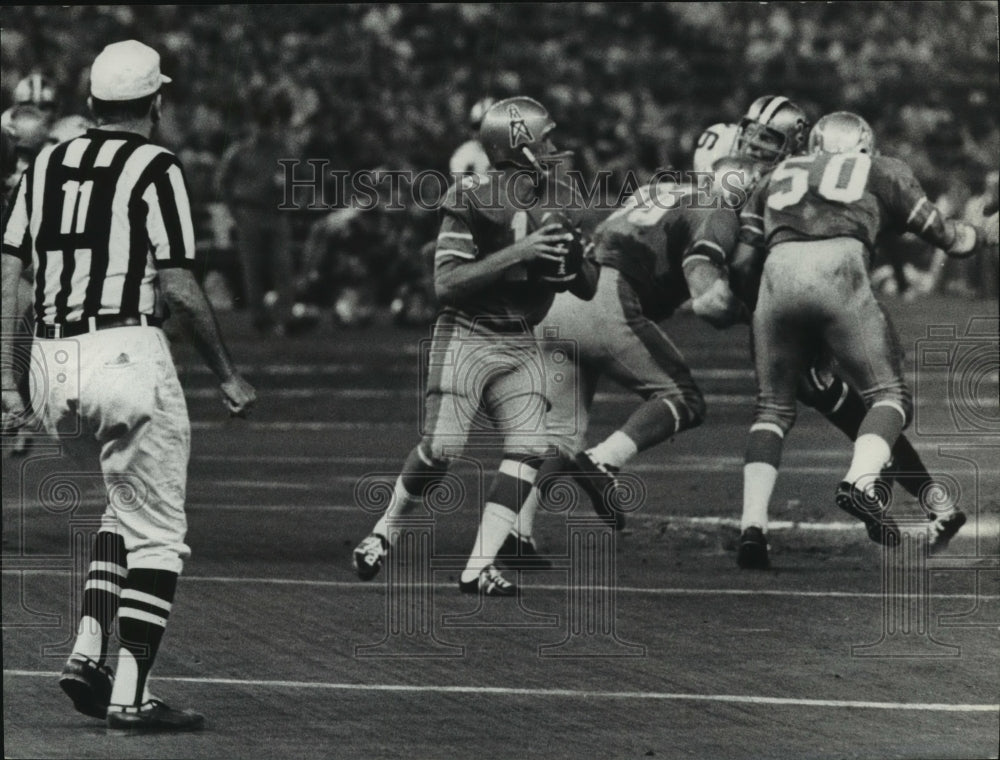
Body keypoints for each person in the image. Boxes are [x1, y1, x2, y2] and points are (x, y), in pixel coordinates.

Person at [1, 40, 256, 731]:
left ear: (89, 103)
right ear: (157, 104)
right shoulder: (155, 164)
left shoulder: (46, 163)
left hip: (54, 360)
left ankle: (88, 651)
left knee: (123, 509)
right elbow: (177, 282)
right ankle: (132, 692)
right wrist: (226, 373)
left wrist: (6, 377)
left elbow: (11, 280)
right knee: (161, 536)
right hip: (124, 347)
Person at [352, 96, 598, 596]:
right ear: (521, 145)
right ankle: (385, 531)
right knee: (442, 450)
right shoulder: (474, 195)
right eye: (544, 138)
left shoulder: (560, 192)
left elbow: (589, 287)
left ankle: (478, 565)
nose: (554, 147)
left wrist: (574, 259)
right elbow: (447, 284)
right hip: (468, 333)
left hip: (522, 339)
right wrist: (521, 252)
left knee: (529, 450)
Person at [735, 111, 982, 556]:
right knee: (886, 398)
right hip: (838, 276)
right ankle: (865, 483)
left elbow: (742, 261)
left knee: (773, 409)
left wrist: (759, 313)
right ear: (865, 146)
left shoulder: (773, 176)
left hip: (775, 283)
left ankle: (752, 528)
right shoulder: (881, 170)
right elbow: (950, 240)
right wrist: (983, 235)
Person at [216, 89, 296, 334]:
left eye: (268, 124)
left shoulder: (282, 150)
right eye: (261, 125)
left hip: (275, 213)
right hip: (249, 211)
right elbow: (222, 182)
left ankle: (284, 315)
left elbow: (296, 177)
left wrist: (289, 200)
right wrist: (234, 211)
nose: (265, 130)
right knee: (253, 268)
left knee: (282, 266)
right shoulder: (240, 151)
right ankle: (259, 317)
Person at [448, 97, 494, 177]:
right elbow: (463, 187)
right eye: (477, 126)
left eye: (488, 125)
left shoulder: (514, 149)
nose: (482, 131)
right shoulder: (464, 156)